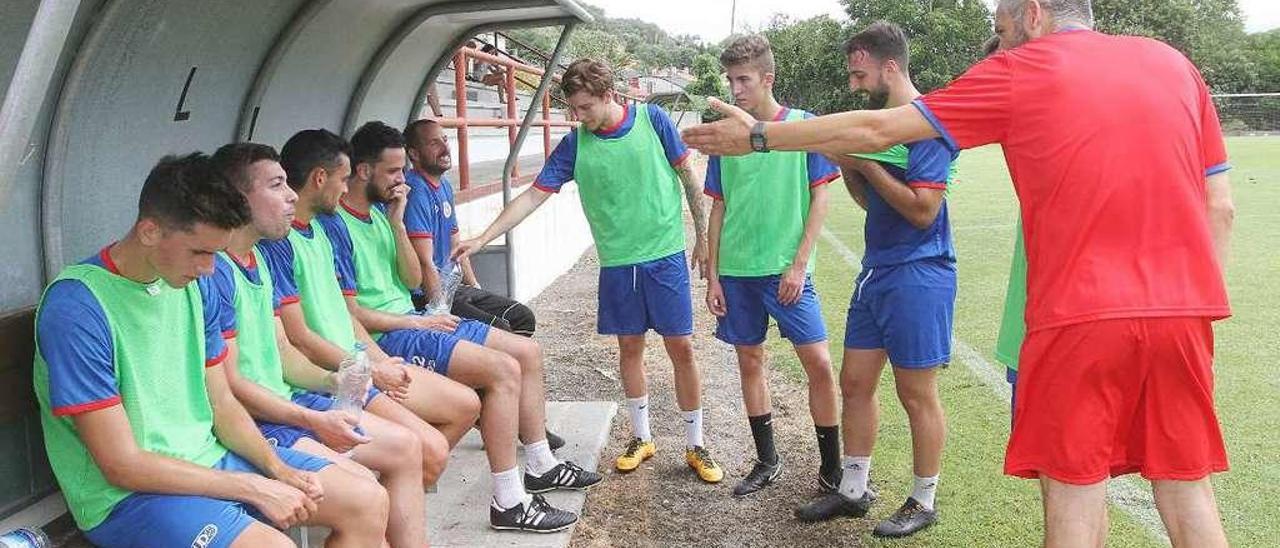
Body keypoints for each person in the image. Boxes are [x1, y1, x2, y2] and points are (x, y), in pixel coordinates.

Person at [683, 1, 1236, 545]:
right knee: (1188, 492)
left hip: (1078, 316)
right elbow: (1221, 208)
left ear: (1034, 13)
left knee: (1074, 493)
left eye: (1001, 26)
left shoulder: (1024, 67)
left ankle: (919, 494)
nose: (1001, 41)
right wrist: (1190, 298)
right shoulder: (1173, 63)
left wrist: (759, 136)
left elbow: (879, 130)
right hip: (1185, 315)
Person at [32, 153, 388, 547]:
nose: (209, 268)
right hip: (128, 498)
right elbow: (122, 465)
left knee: (366, 500)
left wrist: (276, 469)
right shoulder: (78, 307)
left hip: (208, 458)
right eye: (199, 252)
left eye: (216, 255)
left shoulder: (195, 284)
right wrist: (252, 487)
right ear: (150, 231)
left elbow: (222, 403)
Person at [268, 127, 590, 532]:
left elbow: (409, 280)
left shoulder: (352, 223)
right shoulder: (314, 233)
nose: (403, 180)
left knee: (508, 365)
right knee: (503, 369)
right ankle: (501, 495)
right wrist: (380, 355)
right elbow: (310, 333)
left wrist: (398, 225)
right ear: (338, 175)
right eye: (394, 170)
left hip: (379, 343)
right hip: (378, 342)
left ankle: (391, 509)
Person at [454, 58, 724, 484]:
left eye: (584, 108)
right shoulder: (576, 144)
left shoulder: (652, 120)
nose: (579, 117)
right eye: (574, 110)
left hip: (665, 255)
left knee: (682, 348)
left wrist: (705, 239)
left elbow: (688, 175)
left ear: (608, 95)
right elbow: (533, 197)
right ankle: (641, 438)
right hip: (617, 263)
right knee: (630, 349)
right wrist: (483, 237)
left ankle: (696, 443)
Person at [207, 142, 435, 547]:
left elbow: (284, 354)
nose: (291, 194)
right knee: (368, 495)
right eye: (277, 185)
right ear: (236, 198)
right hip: (261, 420)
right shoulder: (214, 271)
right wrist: (312, 418)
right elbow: (233, 386)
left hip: (286, 401)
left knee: (406, 450)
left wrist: (343, 380)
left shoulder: (257, 258)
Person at [792, 23, 958, 538]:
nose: (854, 84)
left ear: (890, 66)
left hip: (920, 272)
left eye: (859, 72)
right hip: (877, 270)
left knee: (915, 392)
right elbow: (872, 203)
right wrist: (854, 169)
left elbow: (924, 212)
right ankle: (853, 489)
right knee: (855, 383)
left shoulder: (924, 124)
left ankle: (923, 500)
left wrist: (862, 160)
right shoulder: (879, 123)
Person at [701, 35, 841, 498]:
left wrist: (799, 265)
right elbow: (717, 207)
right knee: (750, 359)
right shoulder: (726, 135)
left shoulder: (802, 128)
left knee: (819, 364)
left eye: (743, 79)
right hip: (738, 271)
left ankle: (832, 470)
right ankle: (767, 461)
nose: (736, 89)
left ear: (767, 79)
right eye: (731, 79)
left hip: (786, 270)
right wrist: (714, 275)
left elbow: (822, 194)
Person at [402, 118, 538, 337]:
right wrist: (439, 310)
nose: (445, 148)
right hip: (427, 295)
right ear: (414, 154)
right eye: (434, 143)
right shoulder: (416, 191)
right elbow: (424, 262)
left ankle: (506, 366)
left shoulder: (444, 185)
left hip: (452, 288)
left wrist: (474, 285)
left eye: (445, 140)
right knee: (501, 330)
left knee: (522, 318)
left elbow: (457, 244)